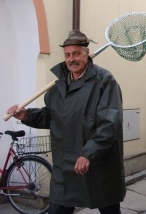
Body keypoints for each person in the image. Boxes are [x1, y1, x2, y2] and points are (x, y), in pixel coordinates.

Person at [7, 30, 126, 214]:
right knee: (57, 210)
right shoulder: (58, 86)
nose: (71, 59)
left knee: (108, 208)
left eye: (76, 53)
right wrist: (26, 115)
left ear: (87, 52)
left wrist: (88, 153)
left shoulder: (104, 81)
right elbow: (51, 116)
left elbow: (109, 124)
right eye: (67, 55)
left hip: (96, 166)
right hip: (65, 168)